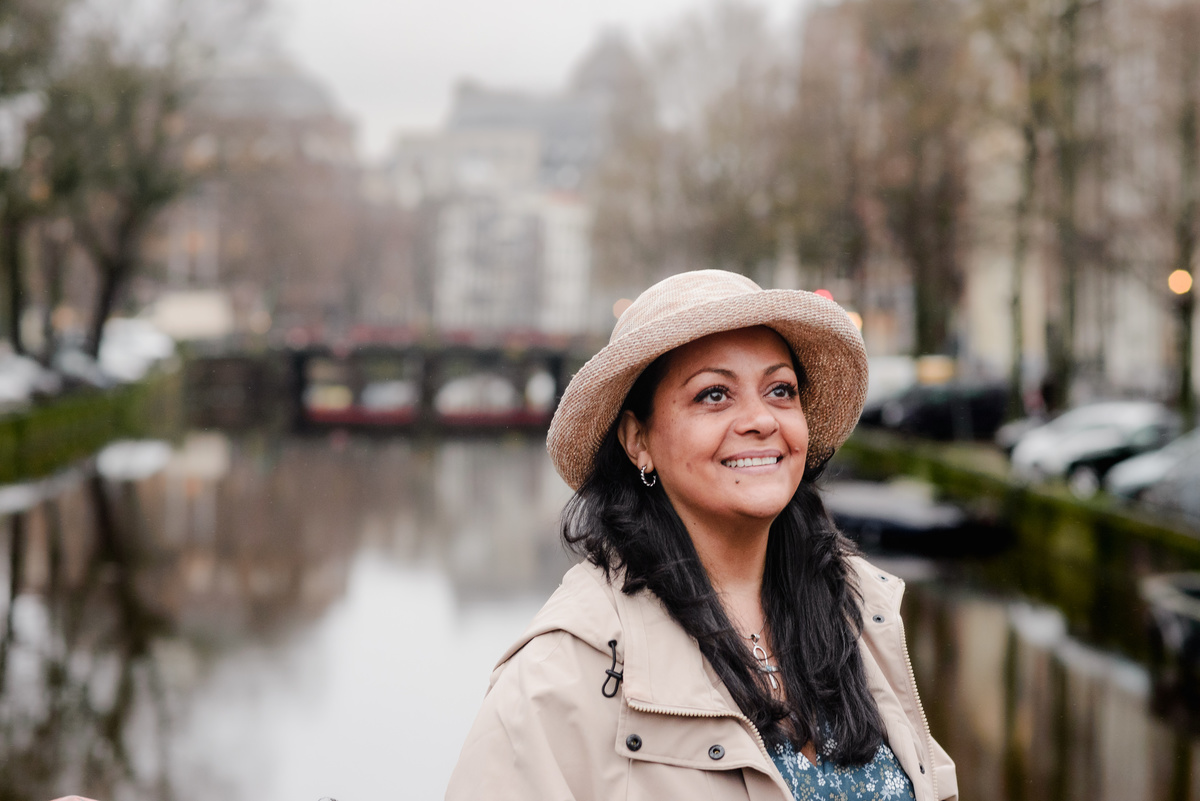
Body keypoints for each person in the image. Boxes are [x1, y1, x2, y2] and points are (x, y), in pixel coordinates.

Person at [446, 270, 957, 801]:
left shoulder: (861, 616)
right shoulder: (559, 677)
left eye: (781, 390)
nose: (760, 419)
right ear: (636, 439)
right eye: (714, 394)